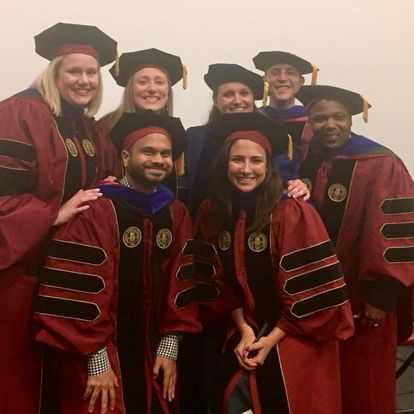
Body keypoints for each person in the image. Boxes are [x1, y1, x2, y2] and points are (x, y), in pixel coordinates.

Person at [33, 110, 202, 414]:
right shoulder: (97, 209)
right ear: (125, 156)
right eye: (148, 151)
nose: (158, 159)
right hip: (98, 355)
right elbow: (75, 290)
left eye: (165, 153)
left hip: (153, 353)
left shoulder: (175, 213)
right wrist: (96, 359)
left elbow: (182, 285)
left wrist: (170, 346)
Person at [194, 112, 354, 414]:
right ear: (224, 163)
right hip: (241, 332)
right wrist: (245, 330)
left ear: (269, 166)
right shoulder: (212, 211)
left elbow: (315, 295)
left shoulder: (291, 212)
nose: (246, 169)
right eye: (237, 160)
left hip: (295, 336)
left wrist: (269, 340)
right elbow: (215, 282)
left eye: (256, 161)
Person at [0, 22, 117, 413]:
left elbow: (105, 178)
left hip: (70, 273)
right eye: (74, 71)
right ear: (54, 71)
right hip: (23, 273)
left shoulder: (87, 125)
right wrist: (53, 214)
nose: (84, 81)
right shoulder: (19, 112)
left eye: (91, 73)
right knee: (20, 378)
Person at [297, 85, 414, 414]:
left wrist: (380, 296)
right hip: (322, 299)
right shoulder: (312, 162)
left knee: (365, 385)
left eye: (338, 117)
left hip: (366, 299)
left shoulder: (382, 162)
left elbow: (395, 234)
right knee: (323, 386)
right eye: (320, 118)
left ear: (352, 120)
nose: (329, 124)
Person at [187, 63, 308, 215]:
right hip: (204, 224)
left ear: (253, 98)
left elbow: (286, 181)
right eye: (228, 94)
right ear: (216, 101)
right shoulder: (196, 138)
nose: (237, 101)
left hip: (259, 226)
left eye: (244, 93)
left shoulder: (272, 137)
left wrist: (296, 184)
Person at [102, 48, 187, 194]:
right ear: (130, 89)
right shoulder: (104, 128)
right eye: (143, 82)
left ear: (168, 92)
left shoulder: (174, 133)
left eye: (159, 82)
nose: (152, 89)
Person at [252, 51, 318, 158]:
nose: (282, 78)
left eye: (290, 72)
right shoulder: (253, 119)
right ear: (265, 80)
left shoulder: (313, 121)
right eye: (275, 72)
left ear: (301, 81)